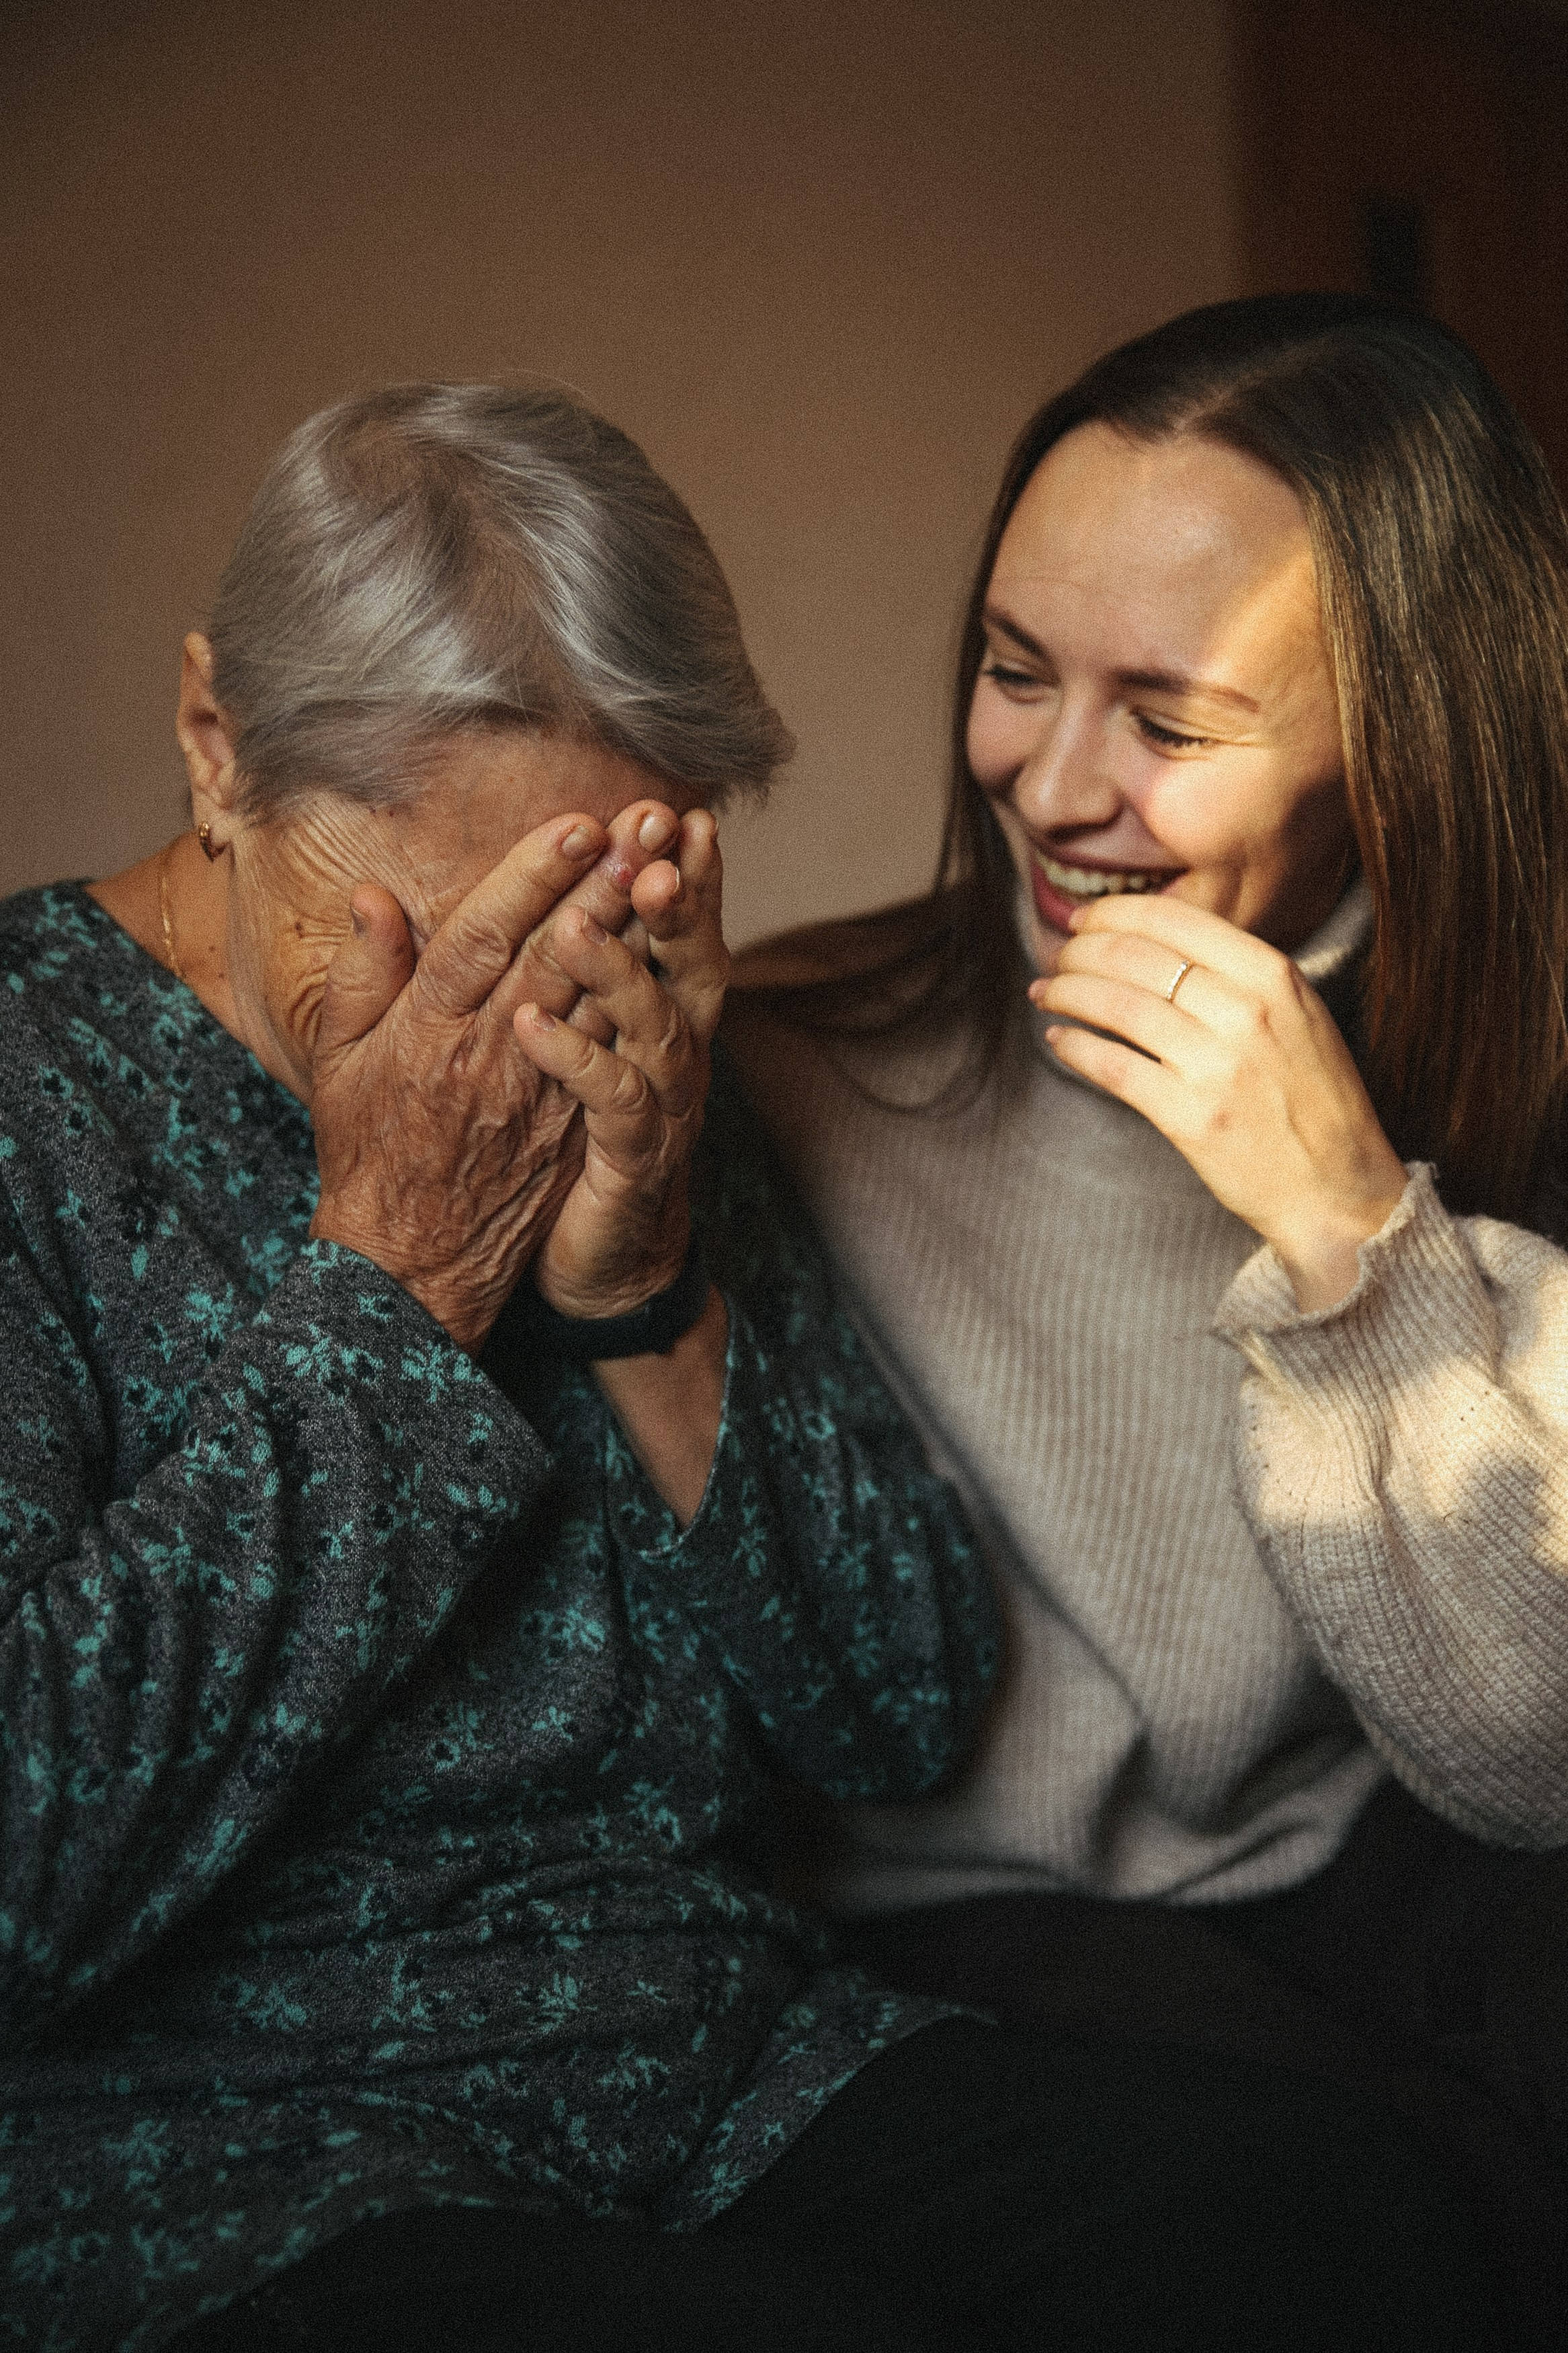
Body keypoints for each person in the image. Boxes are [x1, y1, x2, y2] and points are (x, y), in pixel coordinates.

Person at [0, 376, 1520, 2353]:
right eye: (457, 914)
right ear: (220, 745)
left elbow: (896, 1705)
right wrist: (396, 1290)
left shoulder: (629, 1055)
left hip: (717, 2060)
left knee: (1338, 2221)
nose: (528, 1006)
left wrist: (647, 1288)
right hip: (220, 2152)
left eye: (605, 896)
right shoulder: (34, 1103)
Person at [727, 294, 1568, 2334]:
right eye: (1016, 674)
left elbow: (1530, 1760)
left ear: (1402, 743)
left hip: (1361, 1860)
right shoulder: (773, 1072)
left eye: (1170, 722)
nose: (1050, 784)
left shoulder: (1505, 1089)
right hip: (961, 1935)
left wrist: (1352, 1232)